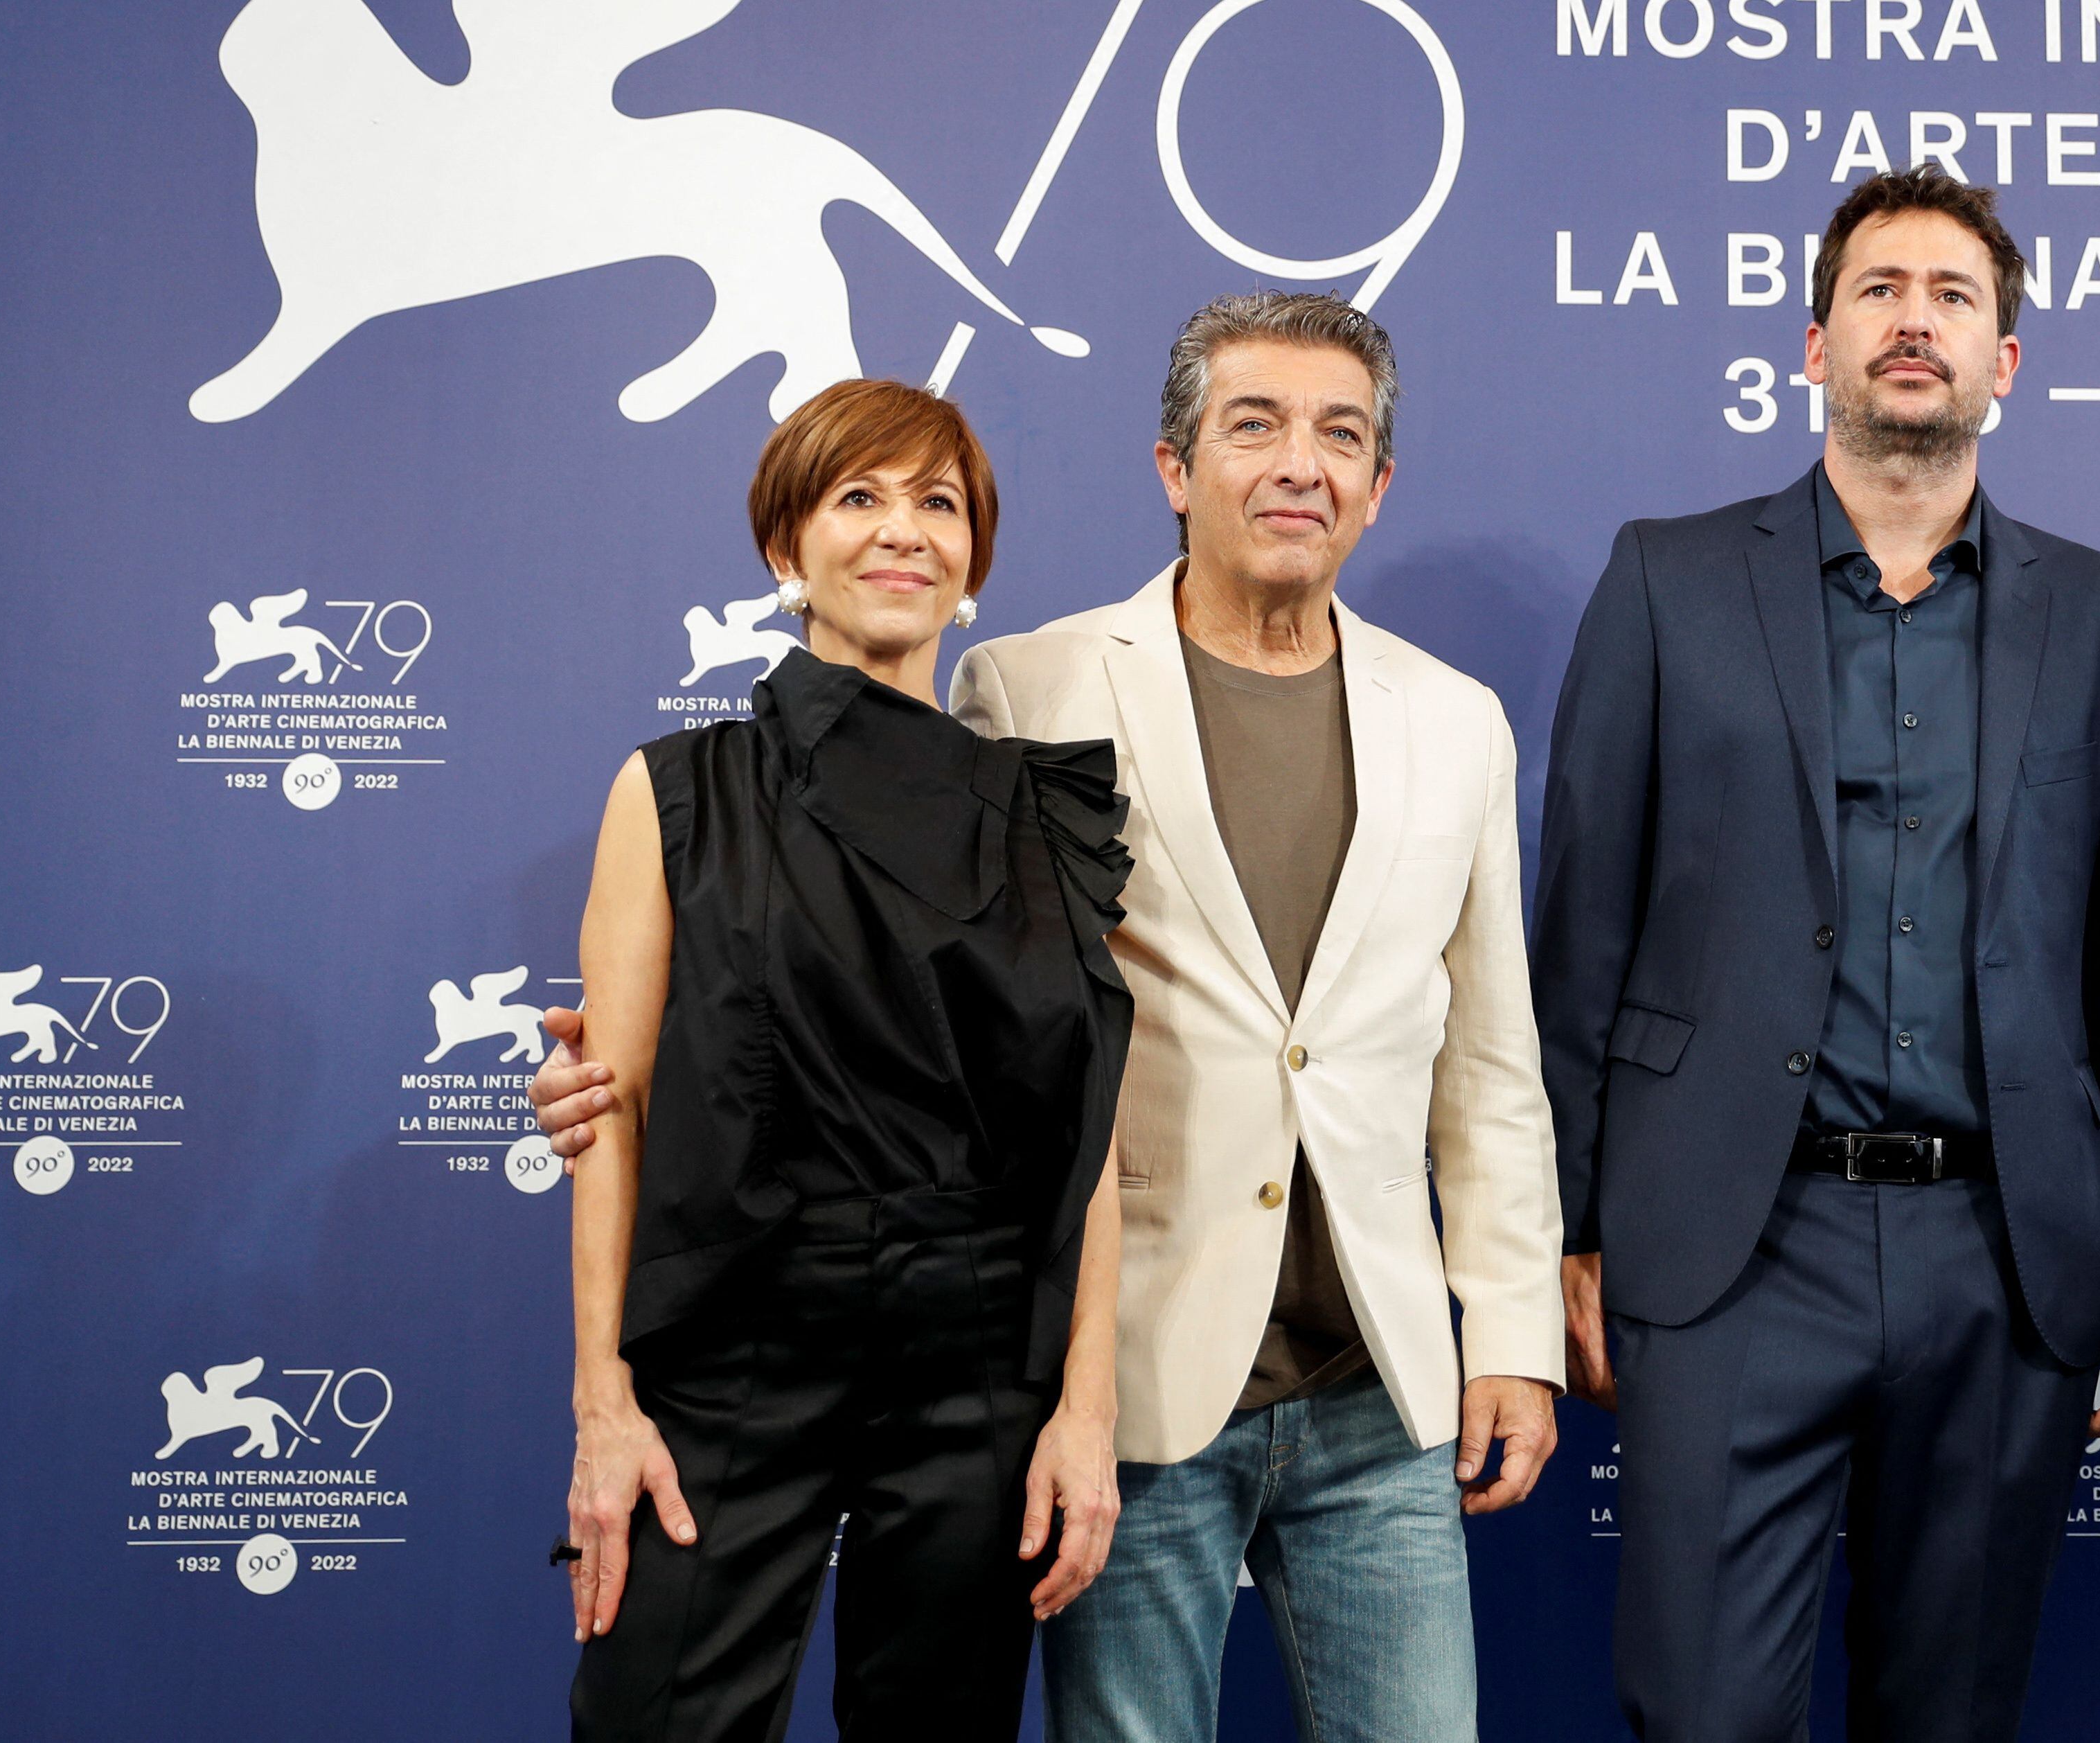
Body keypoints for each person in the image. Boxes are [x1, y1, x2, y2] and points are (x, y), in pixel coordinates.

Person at [538, 293, 1565, 1743]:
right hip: (1117, 1369)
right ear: (1173, 465)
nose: (1298, 463)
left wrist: (1508, 1325)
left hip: (1339, 1375)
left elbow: (1489, 1065)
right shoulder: (1025, 689)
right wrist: (621, 1087)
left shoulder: (1454, 718)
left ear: (1378, 481)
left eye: (1339, 434)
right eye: (1253, 423)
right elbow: (849, 994)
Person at [1532, 168, 2100, 1743]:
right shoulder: (1666, 575)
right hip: (1729, 1243)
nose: (1916, 320)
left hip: (2006, 1248)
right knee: (1702, 1713)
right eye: (1882, 290)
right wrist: (1558, 1222)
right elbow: (1582, 931)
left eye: (1954, 296)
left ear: (2005, 363)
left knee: (1951, 1716)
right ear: (1814, 341)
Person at [556, 378, 1135, 1742]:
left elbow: (1088, 1135)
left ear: (974, 562)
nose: (902, 531)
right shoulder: (680, 789)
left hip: (977, 1358)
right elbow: (612, 1110)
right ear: (785, 548)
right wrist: (604, 1400)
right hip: (736, 1340)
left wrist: (1086, 1405)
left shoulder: (1048, 812)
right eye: (857, 497)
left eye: (938, 503)